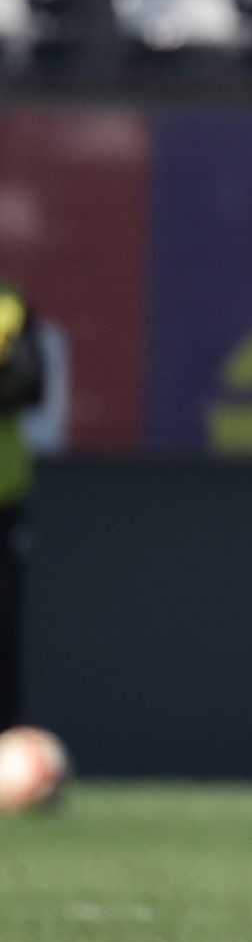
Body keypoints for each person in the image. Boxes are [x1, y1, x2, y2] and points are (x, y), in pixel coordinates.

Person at [0, 278, 47, 732]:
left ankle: (8, 745)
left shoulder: (10, 308)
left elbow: (32, 386)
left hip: (4, 498)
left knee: (4, 632)